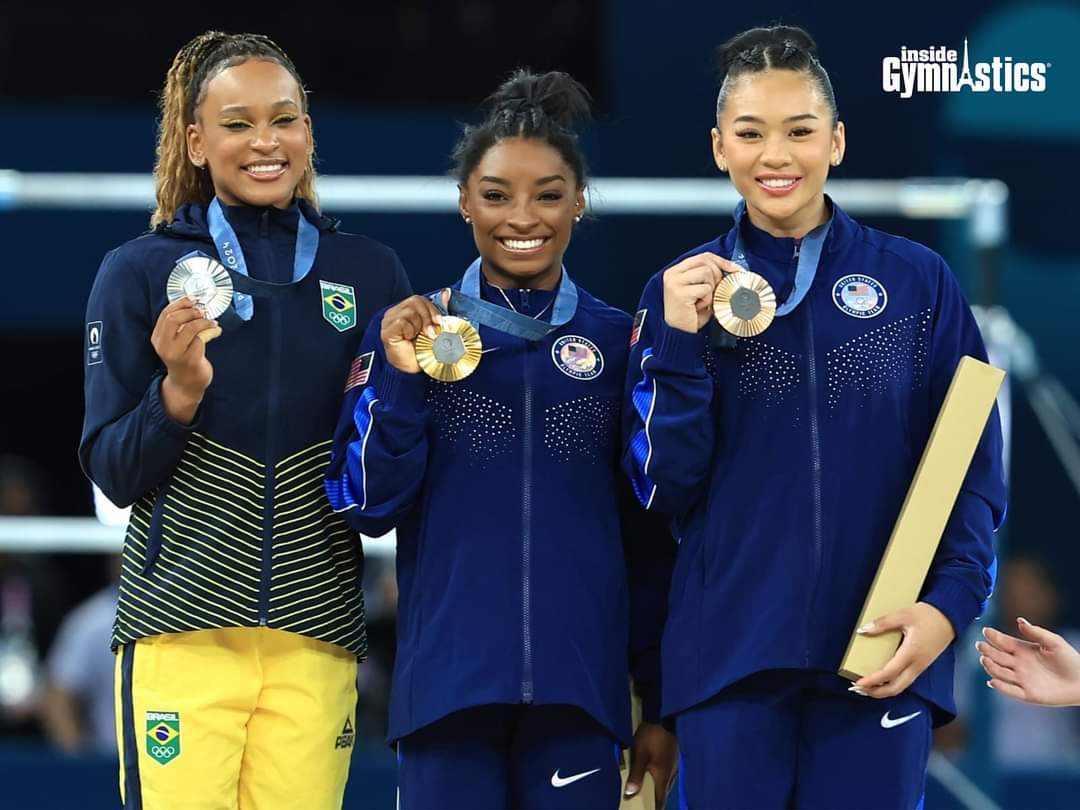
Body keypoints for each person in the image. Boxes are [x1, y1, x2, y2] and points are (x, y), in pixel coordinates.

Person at [622, 24, 1006, 809]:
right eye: (751, 133)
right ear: (719, 147)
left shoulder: (916, 282)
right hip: (730, 655)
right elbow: (663, 489)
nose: (777, 156)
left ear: (835, 141)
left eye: (800, 131)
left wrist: (947, 610)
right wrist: (680, 349)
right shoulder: (679, 295)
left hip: (884, 649)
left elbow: (969, 465)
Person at [325, 69, 677, 809]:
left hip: (579, 697)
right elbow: (367, 503)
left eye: (549, 194)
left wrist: (657, 696)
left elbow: (649, 538)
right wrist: (398, 379)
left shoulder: (619, 343)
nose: (524, 216)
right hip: (446, 695)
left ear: (579, 201)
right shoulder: (412, 335)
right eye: (496, 194)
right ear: (463, 202)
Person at [79, 31, 412, 809]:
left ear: (308, 132)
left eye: (284, 119)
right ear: (195, 140)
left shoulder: (369, 273)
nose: (265, 142)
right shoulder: (138, 272)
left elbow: (381, 475)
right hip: (181, 634)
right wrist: (180, 393)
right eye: (237, 123)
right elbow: (112, 469)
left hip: (317, 635)